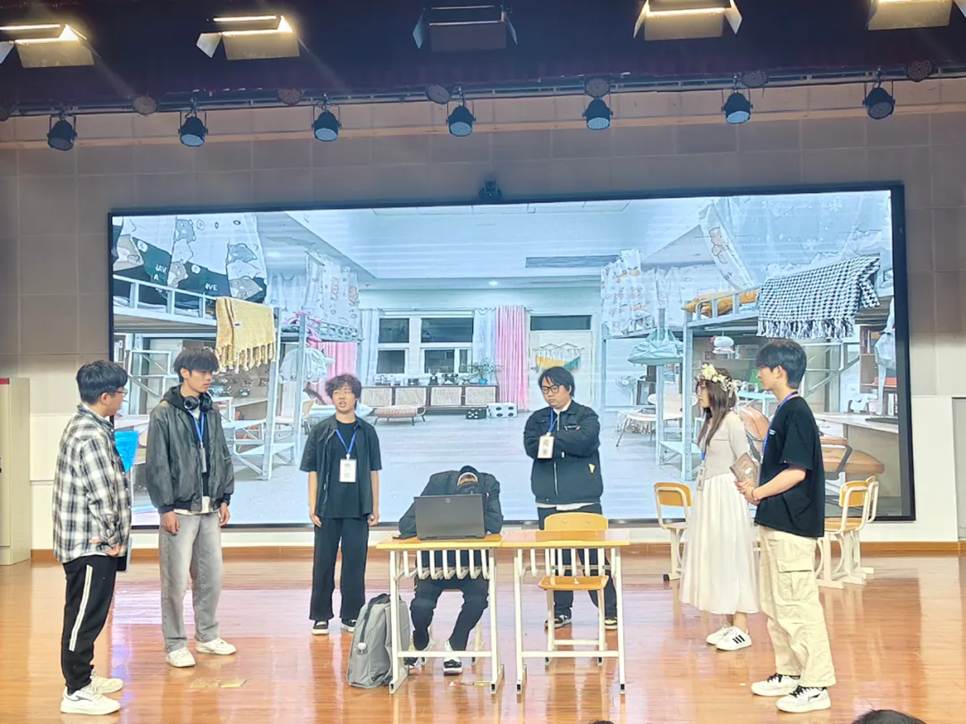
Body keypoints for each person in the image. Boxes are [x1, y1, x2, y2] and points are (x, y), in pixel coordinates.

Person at [736, 339, 836, 714]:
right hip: (776, 521)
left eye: (762, 368)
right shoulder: (782, 410)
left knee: (797, 605)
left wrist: (758, 492)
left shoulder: (797, 412)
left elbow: (796, 472)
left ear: (779, 371)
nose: (758, 373)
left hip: (793, 526)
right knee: (776, 604)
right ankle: (790, 672)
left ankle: (816, 683)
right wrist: (757, 491)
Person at [145, 346, 236, 668]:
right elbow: (156, 463)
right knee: (175, 582)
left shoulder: (211, 411)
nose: (209, 378)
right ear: (185, 373)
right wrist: (165, 507)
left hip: (210, 508)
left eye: (211, 372)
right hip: (179, 511)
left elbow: (222, 453)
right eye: (203, 372)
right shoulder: (163, 413)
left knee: (211, 577)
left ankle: (208, 636)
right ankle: (175, 644)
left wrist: (225, 496)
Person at [53, 361, 132, 716]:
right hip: (92, 543)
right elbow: (102, 494)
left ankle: (84, 677)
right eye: (121, 393)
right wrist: (113, 538)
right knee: (83, 618)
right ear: (105, 396)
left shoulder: (89, 425)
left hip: (88, 541)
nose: (122, 399)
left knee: (87, 614)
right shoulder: (91, 435)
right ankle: (76, 690)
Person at [523, 366, 617, 630]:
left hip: (584, 500)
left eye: (554, 389)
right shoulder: (537, 419)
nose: (549, 394)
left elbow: (586, 442)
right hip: (548, 501)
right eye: (545, 390)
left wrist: (553, 440)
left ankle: (609, 610)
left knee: (593, 559)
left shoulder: (586, 415)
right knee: (557, 560)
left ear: (569, 389)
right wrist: (566, 442)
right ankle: (561, 611)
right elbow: (532, 447)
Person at [680, 364, 759, 651]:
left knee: (731, 554)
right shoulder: (711, 421)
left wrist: (750, 491)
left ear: (717, 390)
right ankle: (729, 622)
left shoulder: (732, 421)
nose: (699, 394)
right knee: (717, 555)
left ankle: (742, 625)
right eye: (698, 389)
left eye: (703, 388)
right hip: (709, 492)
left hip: (726, 492)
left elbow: (745, 459)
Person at [397, 465, 503, 674]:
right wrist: (438, 521)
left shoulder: (489, 485)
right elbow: (405, 524)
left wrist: (473, 510)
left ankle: (455, 645)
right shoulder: (437, 484)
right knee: (420, 607)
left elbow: (496, 524)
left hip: (472, 564)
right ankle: (420, 640)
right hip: (436, 563)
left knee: (477, 601)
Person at [301, 373, 381, 635]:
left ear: (356, 397)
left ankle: (352, 615)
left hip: (358, 509)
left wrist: (375, 506)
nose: (342, 397)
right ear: (332, 397)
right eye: (337, 393)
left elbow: (373, 471)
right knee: (323, 563)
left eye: (347, 392)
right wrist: (312, 505)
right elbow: (312, 471)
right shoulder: (321, 430)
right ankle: (320, 616)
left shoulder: (367, 432)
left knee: (355, 564)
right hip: (327, 508)